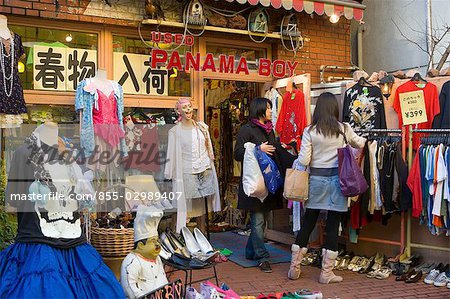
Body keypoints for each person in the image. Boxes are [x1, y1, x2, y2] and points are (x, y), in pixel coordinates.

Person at [287, 92, 366, 284]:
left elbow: (304, 160)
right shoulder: (343, 128)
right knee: (333, 225)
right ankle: (326, 273)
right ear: (334, 109)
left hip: (316, 181)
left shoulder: (310, 131)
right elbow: (361, 143)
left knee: (309, 222)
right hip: (338, 182)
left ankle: (294, 268)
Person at [234, 97, 285, 273]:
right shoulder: (247, 130)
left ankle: (250, 250)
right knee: (257, 221)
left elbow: (275, 151)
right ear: (260, 110)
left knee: (262, 222)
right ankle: (262, 257)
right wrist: (257, 149)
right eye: (269, 108)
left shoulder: (271, 130)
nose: (271, 111)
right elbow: (238, 153)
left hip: (269, 181)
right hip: (255, 183)